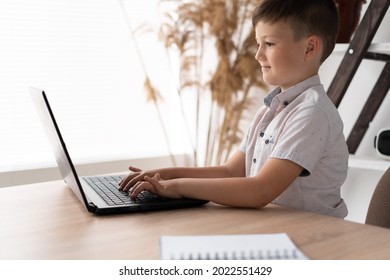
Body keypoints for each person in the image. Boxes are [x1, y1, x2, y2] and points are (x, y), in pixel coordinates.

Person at [119, 0, 349, 218]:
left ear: (310, 47)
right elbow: (230, 171)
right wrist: (164, 175)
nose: (258, 55)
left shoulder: (311, 114)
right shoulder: (271, 110)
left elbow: (261, 190)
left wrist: (176, 187)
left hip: (314, 237)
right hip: (275, 228)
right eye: (258, 44)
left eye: (268, 44)